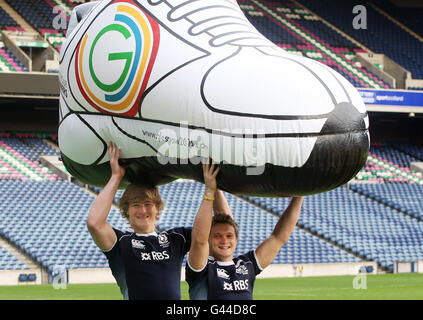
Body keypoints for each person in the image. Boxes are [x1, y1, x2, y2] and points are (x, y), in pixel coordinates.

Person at [87, 142, 193, 300]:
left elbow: (223, 228)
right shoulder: (121, 243)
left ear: (157, 207)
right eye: (136, 205)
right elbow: (94, 223)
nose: (143, 210)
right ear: (126, 209)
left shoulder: (176, 238)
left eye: (148, 204)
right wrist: (116, 176)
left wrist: (212, 188)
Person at [186, 161, 304, 300]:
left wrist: (300, 194)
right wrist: (210, 190)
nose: (224, 240)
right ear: (209, 239)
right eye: (217, 236)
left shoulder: (246, 265)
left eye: (229, 236)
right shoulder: (203, 268)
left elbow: (278, 238)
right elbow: (199, 241)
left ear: (236, 239)